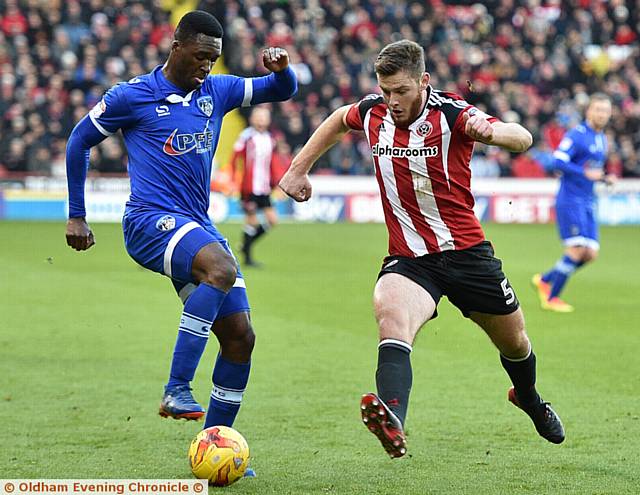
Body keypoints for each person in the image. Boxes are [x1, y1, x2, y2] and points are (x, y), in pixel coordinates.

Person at [279, 40, 564, 458]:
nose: (391, 100)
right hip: (410, 261)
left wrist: (496, 132)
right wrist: (297, 169)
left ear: (424, 81)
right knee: (391, 317)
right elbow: (339, 119)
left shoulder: (452, 114)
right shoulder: (373, 111)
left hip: (467, 254)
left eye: (401, 91)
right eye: (385, 89)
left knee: (515, 343)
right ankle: (393, 420)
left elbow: (520, 137)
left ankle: (530, 398)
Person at [65, 11, 297, 430]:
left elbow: (280, 90)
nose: (206, 67)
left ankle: (216, 440)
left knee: (241, 337)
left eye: (214, 59)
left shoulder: (218, 90)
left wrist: (283, 71)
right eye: (200, 56)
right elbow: (79, 140)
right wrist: (77, 215)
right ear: (177, 47)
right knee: (221, 269)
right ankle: (176, 387)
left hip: (196, 224)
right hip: (148, 221)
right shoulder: (131, 96)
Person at [532, 94, 614, 312]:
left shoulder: (602, 138)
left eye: (605, 111)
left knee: (590, 254)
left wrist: (605, 177)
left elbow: (592, 170)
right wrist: (586, 173)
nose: (601, 114)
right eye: (598, 109)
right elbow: (558, 161)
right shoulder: (577, 135)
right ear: (589, 111)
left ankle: (545, 280)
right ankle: (551, 298)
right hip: (570, 199)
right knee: (577, 250)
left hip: (588, 200)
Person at [229, 106, 282, 267]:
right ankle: (248, 257)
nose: (261, 119)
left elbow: (272, 163)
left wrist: (277, 183)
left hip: (264, 188)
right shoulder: (246, 137)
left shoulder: (270, 139)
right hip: (248, 188)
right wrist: (232, 180)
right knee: (251, 222)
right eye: (258, 116)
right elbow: (234, 159)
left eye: (264, 116)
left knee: (272, 220)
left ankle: (245, 245)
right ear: (252, 119)